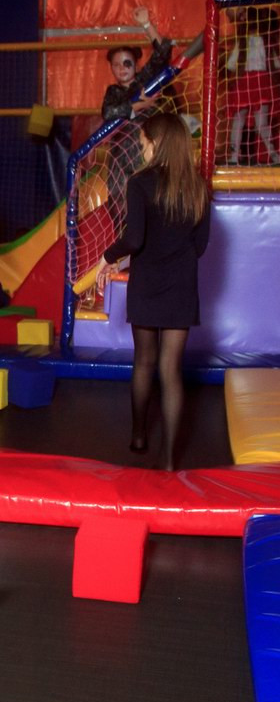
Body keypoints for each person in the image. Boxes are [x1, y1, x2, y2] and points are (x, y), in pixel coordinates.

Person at [96, 113, 210, 472]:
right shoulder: (198, 186)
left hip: (147, 282)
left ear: (156, 144)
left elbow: (135, 239)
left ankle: (139, 436)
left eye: (143, 143)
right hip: (181, 284)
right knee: (171, 369)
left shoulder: (140, 182)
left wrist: (107, 257)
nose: (141, 150)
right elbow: (200, 246)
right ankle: (170, 460)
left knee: (144, 360)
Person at [102, 7, 175, 209]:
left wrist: (146, 24)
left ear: (135, 64)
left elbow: (163, 53)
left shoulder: (144, 81)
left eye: (127, 63)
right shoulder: (113, 92)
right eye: (116, 65)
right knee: (119, 201)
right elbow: (108, 112)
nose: (122, 68)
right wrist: (139, 105)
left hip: (147, 151)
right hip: (121, 156)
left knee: (150, 197)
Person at [224, 3, 280, 165]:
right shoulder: (264, 41)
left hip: (246, 81)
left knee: (239, 120)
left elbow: (231, 64)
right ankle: (274, 155)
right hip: (259, 81)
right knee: (259, 123)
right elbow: (276, 63)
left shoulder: (245, 42)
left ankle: (235, 156)